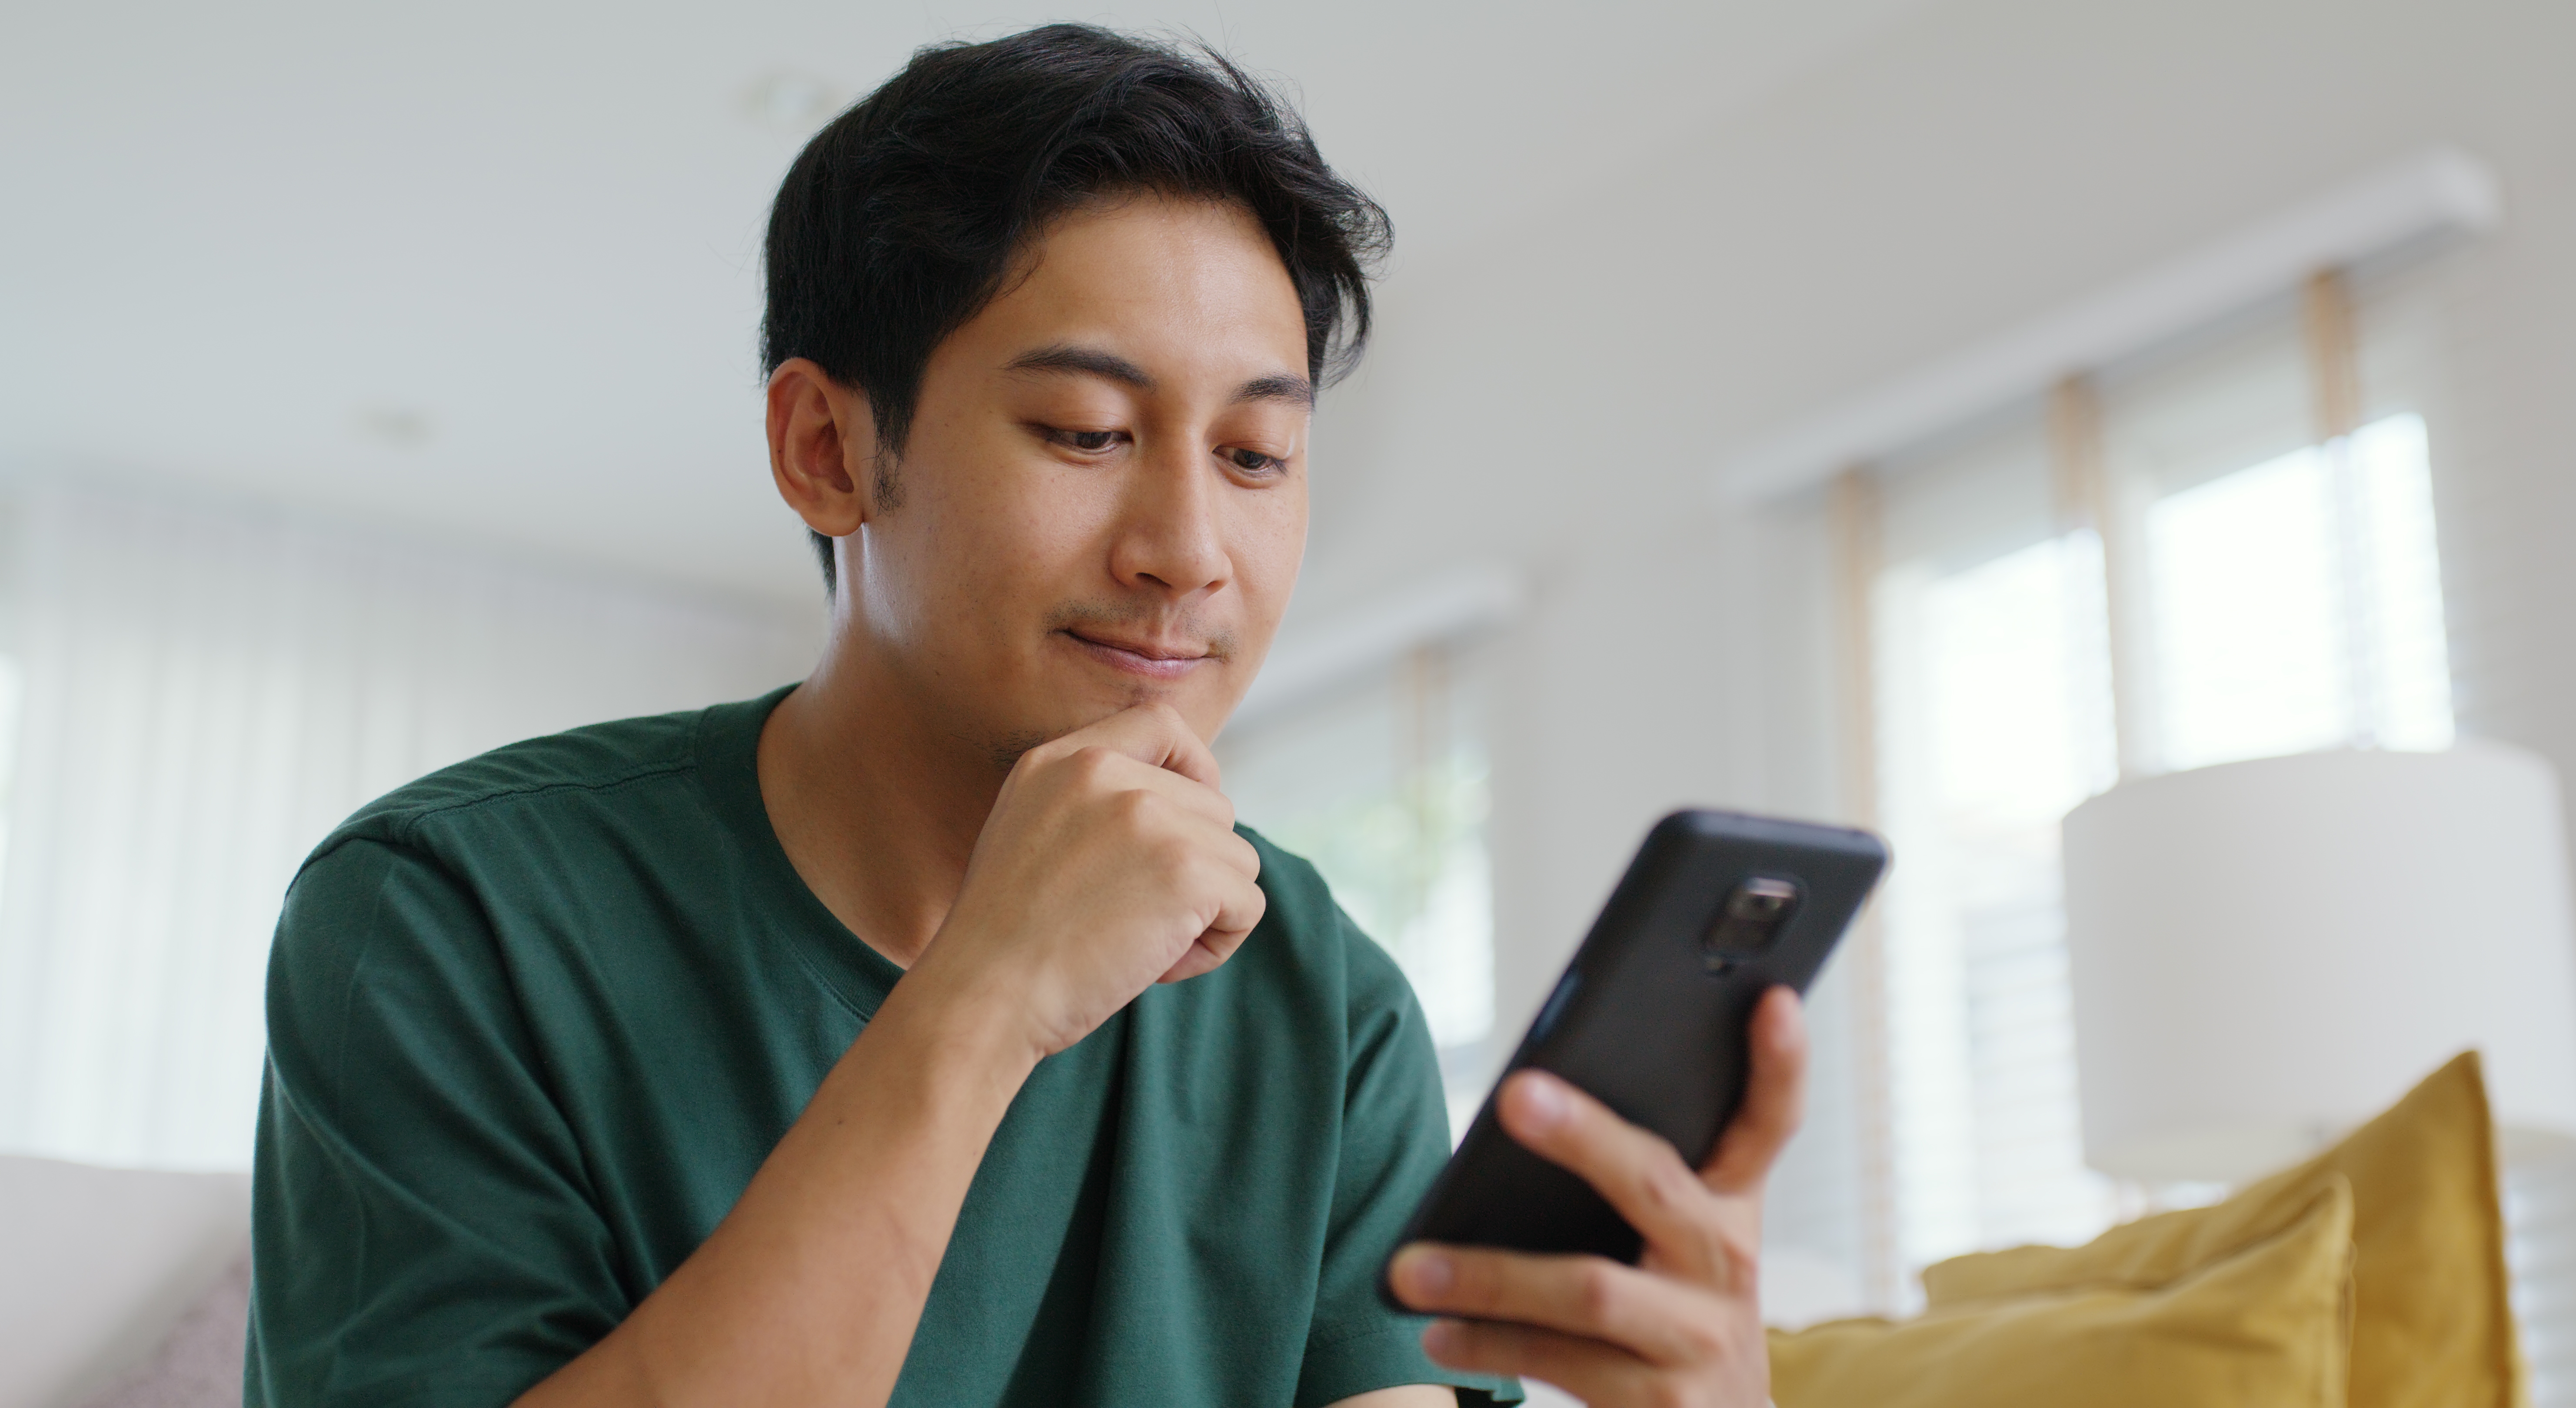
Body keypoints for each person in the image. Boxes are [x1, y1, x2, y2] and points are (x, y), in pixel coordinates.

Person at [246, 24, 1799, 1408]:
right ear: (827, 450)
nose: (1188, 551)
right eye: (1087, 430)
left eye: (1256, 457)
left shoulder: (1323, 1002)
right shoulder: (448, 915)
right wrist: (986, 1001)